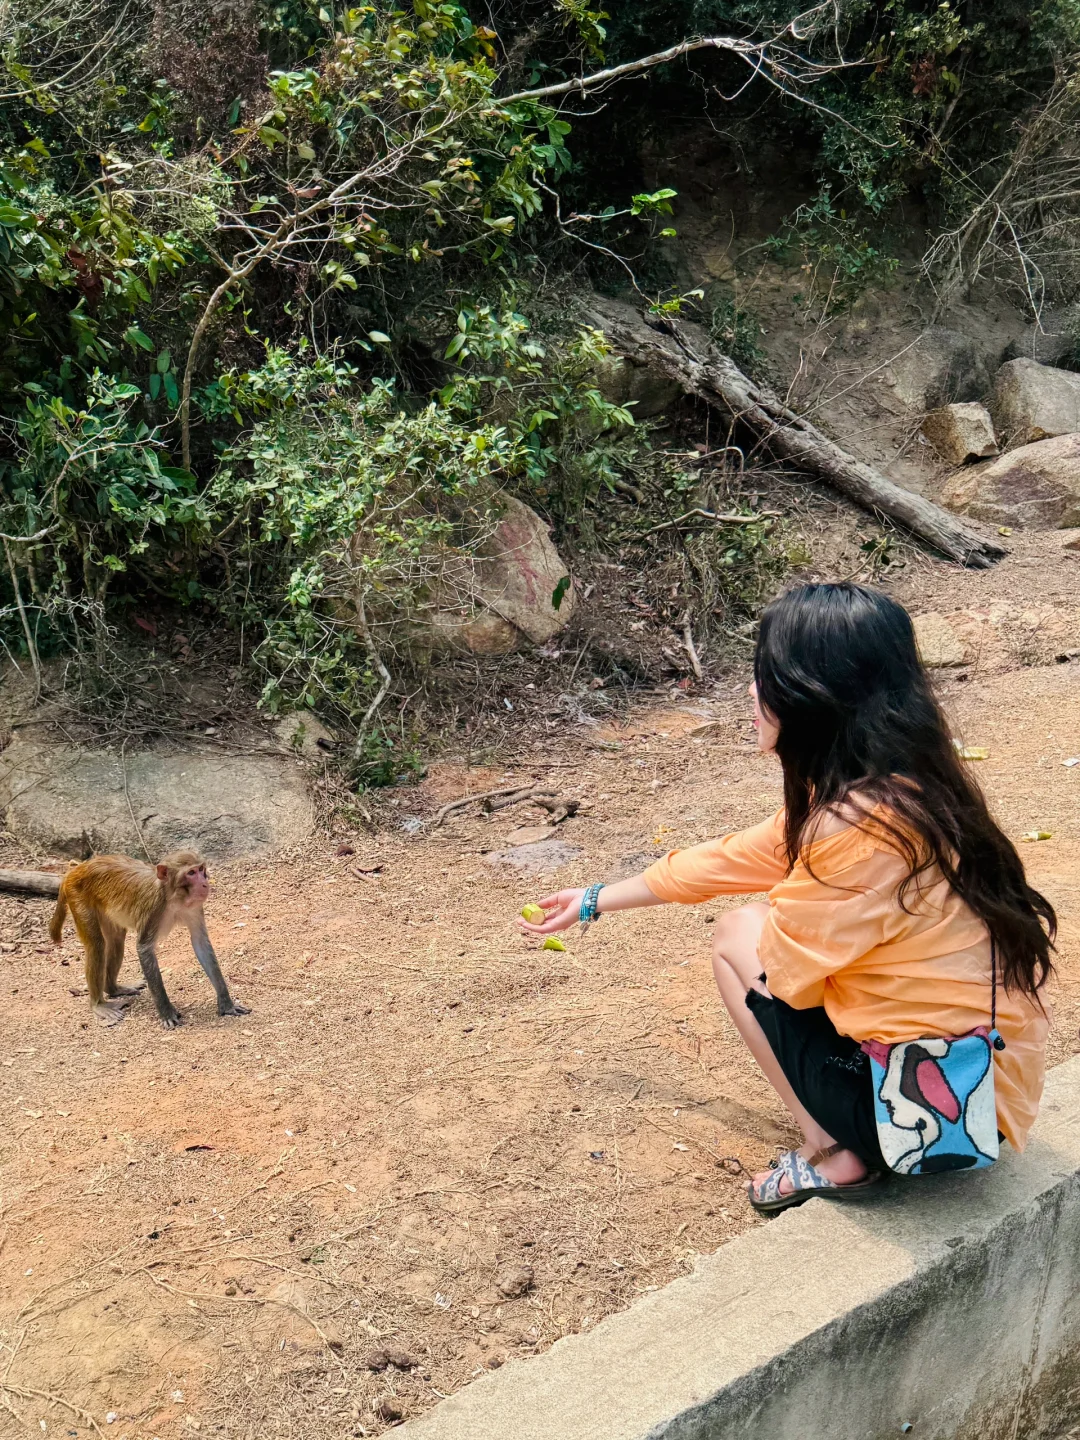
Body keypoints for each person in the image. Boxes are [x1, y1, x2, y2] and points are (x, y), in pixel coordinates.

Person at [521, 583, 1056, 1213]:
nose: (752, 693)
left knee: (737, 936)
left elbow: (792, 982)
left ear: (814, 696)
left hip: (927, 1111)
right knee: (756, 921)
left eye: (766, 677)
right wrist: (594, 899)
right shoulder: (905, 787)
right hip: (981, 1083)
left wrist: (792, 902)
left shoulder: (856, 828)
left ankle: (834, 1152)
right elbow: (733, 857)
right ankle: (846, 1134)